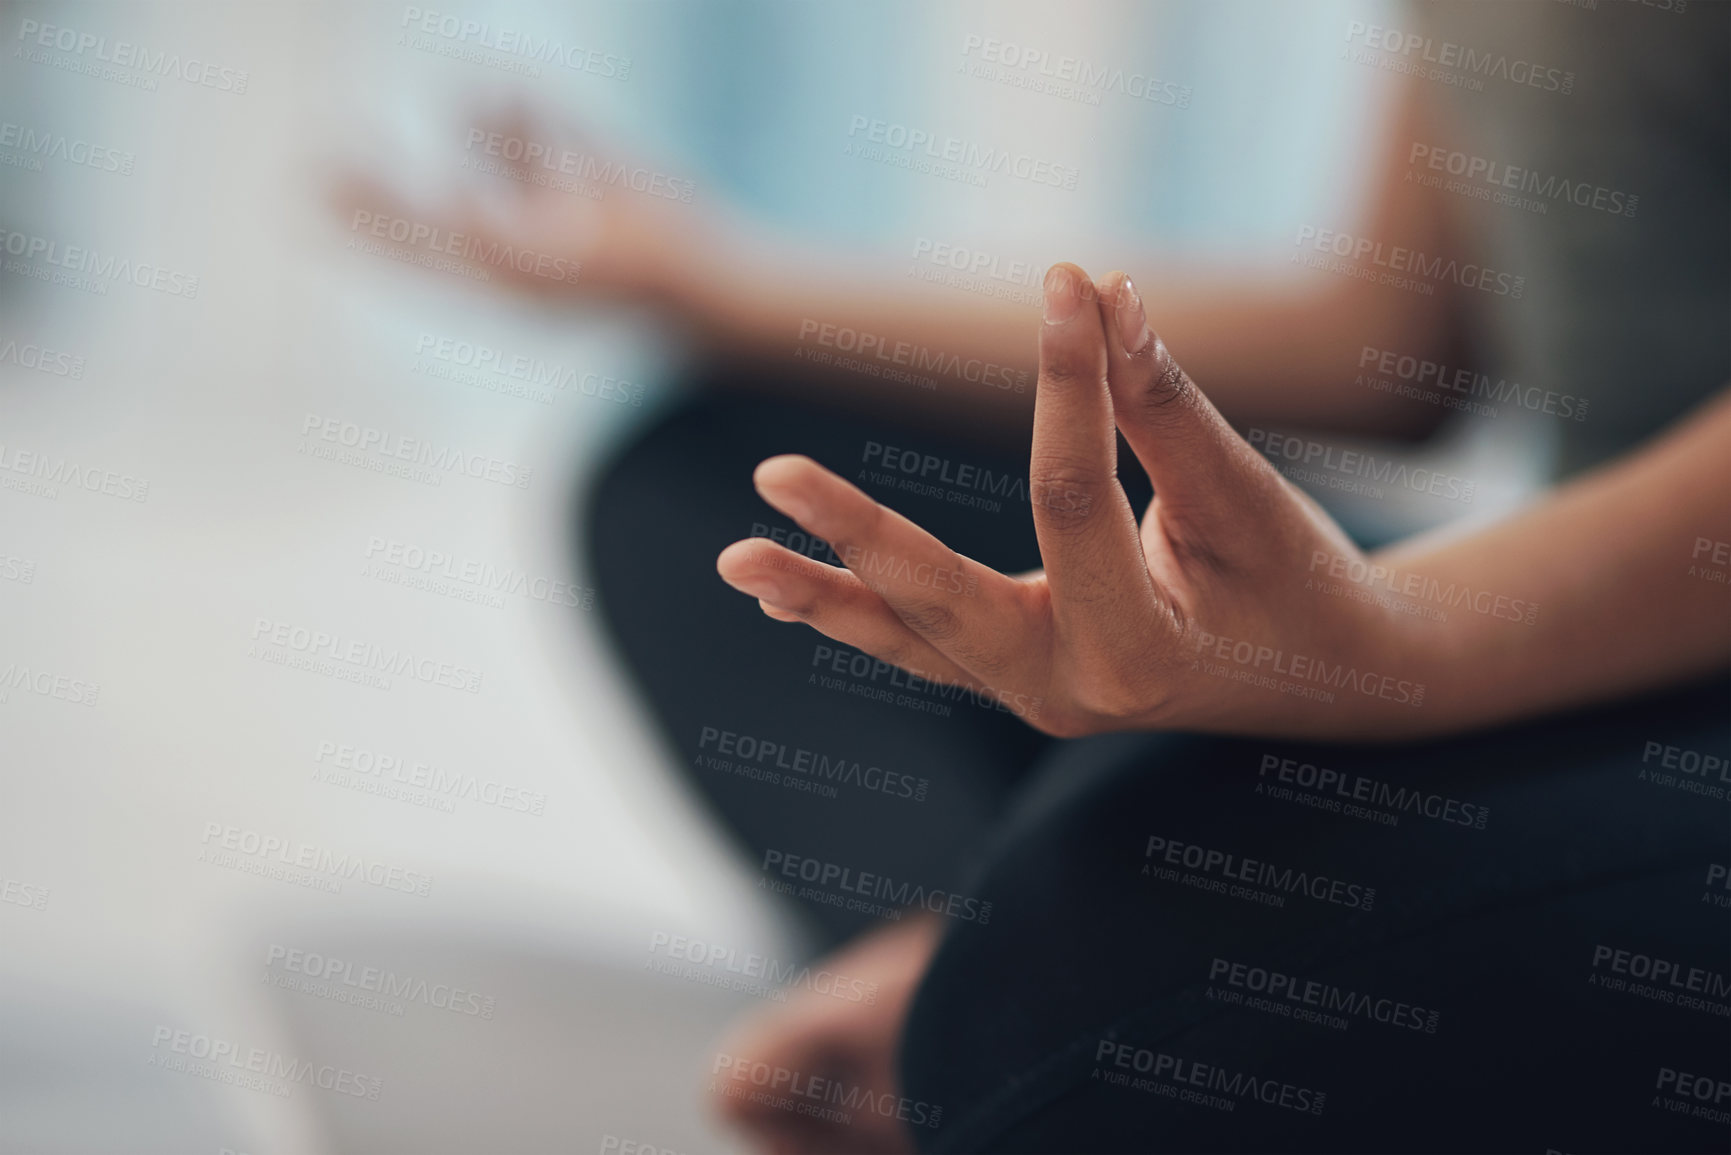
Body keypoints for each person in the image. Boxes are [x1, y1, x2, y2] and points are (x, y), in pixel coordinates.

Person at [345, 1, 1728, 1148]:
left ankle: (1020, 971)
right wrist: (719, 285)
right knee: (700, 474)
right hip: (1568, 618)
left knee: (1087, 1001)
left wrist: (1393, 647)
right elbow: (1381, 336)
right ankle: (999, 957)